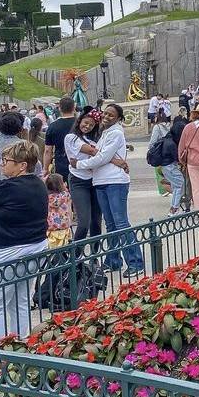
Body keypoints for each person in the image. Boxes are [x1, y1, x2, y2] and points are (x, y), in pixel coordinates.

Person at [0, 141, 49, 340]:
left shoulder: (7, 187)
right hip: (34, 248)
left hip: (7, 252)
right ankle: (21, 343)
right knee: (21, 300)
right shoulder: (38, 185)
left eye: (6, 161)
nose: (1, 164)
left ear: (22, 165)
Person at [73, 103, 143, 277]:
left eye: (111, 115)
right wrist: (111, 160)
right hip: (100, 181)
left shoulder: (116, 133)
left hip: (115, 181)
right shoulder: (105, 132)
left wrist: (80, 164)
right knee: (111, 224)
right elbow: (101, 154)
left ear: (119, 119)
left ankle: (135, 262)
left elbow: (102, 156)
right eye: (105, 113)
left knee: (121, 222)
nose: (106, 116)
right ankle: (113, 260)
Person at [65, 107, 105, 242]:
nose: (87, 126)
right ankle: (76, 253)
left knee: (96, 222)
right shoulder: (71, 138)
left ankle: (95, 252)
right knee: (84, 223)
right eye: (85, 123)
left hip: (95, 180)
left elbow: (101, 154)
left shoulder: (93, 140)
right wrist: (111, 158)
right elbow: (94, 152)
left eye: (91, 125)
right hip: (78, 181)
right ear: (79, 121)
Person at [42, 96, 77, 180]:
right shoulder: (81, 124)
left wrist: (45, 168)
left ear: (60, 109)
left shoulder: (53, 126)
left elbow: (48, 151)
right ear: (74, 108)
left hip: (61, 163)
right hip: (80, 163)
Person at [45, 172, 73, 249]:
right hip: (64, 226)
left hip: (50, 228)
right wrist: (70, 221)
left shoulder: (46, 197)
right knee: (64, 248)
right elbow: (69, 209)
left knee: (51, 249)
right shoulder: (65, 195)